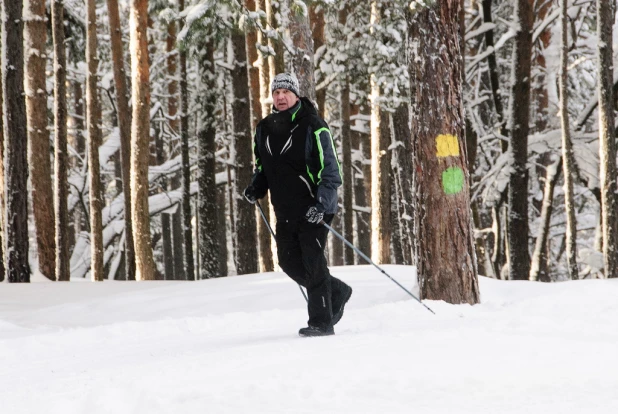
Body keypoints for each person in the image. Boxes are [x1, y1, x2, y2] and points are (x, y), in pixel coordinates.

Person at [243, 73, 352, 337]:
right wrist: (256, 187)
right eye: (276, 92)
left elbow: (331, 170)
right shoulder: (264, 129)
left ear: (295, 94)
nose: (280, 97)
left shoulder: (314, 125)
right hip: (285, 210)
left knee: (313, 262)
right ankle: (336, 291)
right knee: (288, 262)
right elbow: (264, 167)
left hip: (315, 209)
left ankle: (321, 322)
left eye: (285, 92)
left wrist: (322, 204)